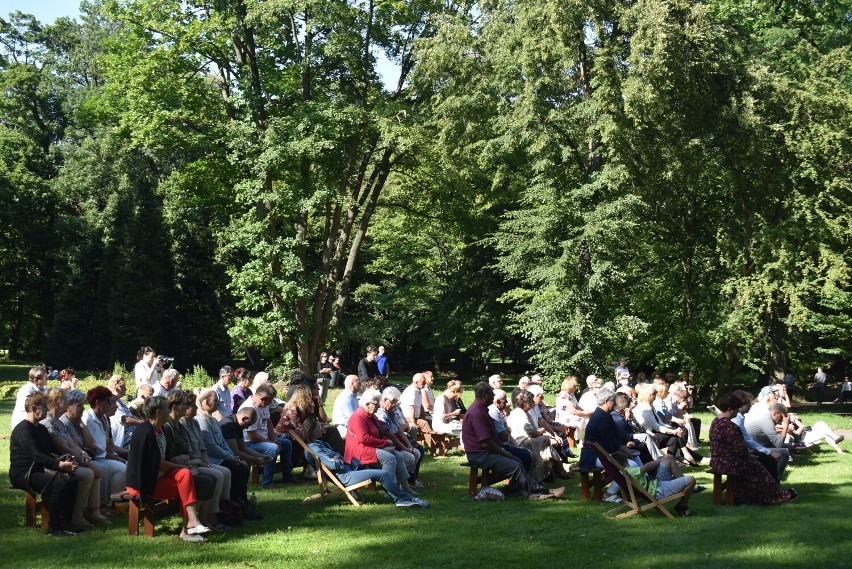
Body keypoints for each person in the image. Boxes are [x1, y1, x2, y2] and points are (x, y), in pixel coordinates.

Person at [126, 396, 212, 542]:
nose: (169, 410)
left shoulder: (158, 430)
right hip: (144, 483)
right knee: (187, 482)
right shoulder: (146, 432)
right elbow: (158, 463)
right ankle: (188, 528)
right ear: (159, 412)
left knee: (186, 475)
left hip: (158, 476)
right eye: (167, 408)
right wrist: (180, 466)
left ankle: (191, 523)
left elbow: (163, 461)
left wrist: (181, 466)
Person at [462, 382, 564, 500]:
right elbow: (485, 442)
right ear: (484, 395)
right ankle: (537, 492)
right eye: (491, 394)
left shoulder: (482, 410)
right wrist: (503, 452)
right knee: (515, 465)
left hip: (487, 451)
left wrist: (505, 449)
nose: (493, 397)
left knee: (517, 459)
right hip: (480, 454)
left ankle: (527, 489)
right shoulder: (477, 413)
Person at [10, 391, 80, 537]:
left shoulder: (41, 428)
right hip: (23, 474)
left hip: (37, 470)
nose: (48, 410)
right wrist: (59, 465)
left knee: (73, 480)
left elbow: (51, 450)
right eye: (44, 407)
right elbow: (37, 455)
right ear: (34, 408)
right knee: (58, 484)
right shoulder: (23, 429)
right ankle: (53, 528)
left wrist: (67, 459)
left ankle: (66, 523)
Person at [709, 393, 797, 505]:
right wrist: (750, 455)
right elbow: (739, 449)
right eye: (736, 409)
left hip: (717, 461)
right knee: (759, 468)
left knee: (754, 464)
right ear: (730, 409)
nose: (737, 412)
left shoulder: (715, 422)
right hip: (728, 462)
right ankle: (776, 496)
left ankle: (744, 497)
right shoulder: (730, 426)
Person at [41, 387, 108, 528]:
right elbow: (63, 448)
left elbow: (73, 445)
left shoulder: (59, 422)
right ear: (55, 401)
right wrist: (88, 464)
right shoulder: (48, 422)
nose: (66, 403)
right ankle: (76, 516)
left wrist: (84, 456)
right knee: (88, 474)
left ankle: (93, 512)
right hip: (55, 465)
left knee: (92, 472)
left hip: (68, 460)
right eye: (64, 400)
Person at [344, 388, 417, 495]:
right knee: (390, 458)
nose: (378, 407)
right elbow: (364, 439)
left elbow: (380, 432)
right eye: (376, 404)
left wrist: (386, 441)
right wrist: (385, 443)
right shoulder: (358, 417)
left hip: (371, 447)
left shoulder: (372, 416)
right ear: (367, 403)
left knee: (399, 455)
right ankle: (391, 491)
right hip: (360, 451)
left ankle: (405, 487)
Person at [194, 388, 253, 513]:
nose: (217, 403)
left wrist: (232, 456)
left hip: (222, 457)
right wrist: (230, 458)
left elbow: (222, 442)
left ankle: (239, 503)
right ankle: (230, 506)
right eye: (215, 401)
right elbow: (210, 446)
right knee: (237, 470)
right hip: (212, 459)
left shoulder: (214, 420)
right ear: (205, 402)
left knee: (242, 466)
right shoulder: (201, 420)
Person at [579, 387, 641, 502]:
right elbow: (610, 445)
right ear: (607, 401)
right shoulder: (602, 418)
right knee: (632, 465)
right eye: (613, 401)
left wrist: (625, 450)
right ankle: (609, 493)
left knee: (635, 456)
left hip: (599, 453)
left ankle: (641, 487)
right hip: (592, 456)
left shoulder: (602, 415)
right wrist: (624, 452)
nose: (615, 404)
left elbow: (613, 441)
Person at [239, 382, 294, 488]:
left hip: (263, 439)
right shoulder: (249, 408)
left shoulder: (263, 404)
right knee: (272, 448)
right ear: (262, 398)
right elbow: (252, 436)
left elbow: (268, 422)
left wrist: (273, 439)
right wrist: (271, 442)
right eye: (270, 401)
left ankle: (288, 477)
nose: (271, 404)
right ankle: (267, 482)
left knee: (286, 443)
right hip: (249, 443)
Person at [83, 386, 128, 512]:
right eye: (108, 401)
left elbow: (109, 445)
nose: (111, 404)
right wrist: (117, 458)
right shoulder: (88, 419)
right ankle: (104, 503)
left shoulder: (104, 418)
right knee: (123, 469)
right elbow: (93, 448)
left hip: (103, 456)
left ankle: (107, 501)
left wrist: (122, 454)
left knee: (126, 467)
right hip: (93, 457)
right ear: (98, 402)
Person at [731, 390, 788, 482]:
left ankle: (770, 486)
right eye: (749, 403)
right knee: (782, 453)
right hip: (742, 453)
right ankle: (774, 486)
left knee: (772, 455)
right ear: (742, 405)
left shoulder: (739, 418)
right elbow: (748, 441)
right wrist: (785, 425)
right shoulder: (736, 420)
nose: (751, 405)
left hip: (742, 451)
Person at [625, 454, 698, 517]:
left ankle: (684, 485)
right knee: (691, 480)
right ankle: (682, 505)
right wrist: (661, 459)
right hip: (657, 491)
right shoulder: (629, 472)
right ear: (625, 462)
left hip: (656, 483)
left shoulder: (623, 472)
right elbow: (648, 466)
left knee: (668, 457)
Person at [487, 389, 533, 472]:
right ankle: (521, 483)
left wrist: (516, 446)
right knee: (525, 456)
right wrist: (508, 430)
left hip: (503, 444)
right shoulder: (494, 412)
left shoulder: (498, 412)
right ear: (498, 401)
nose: (507, 401)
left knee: (525, 452)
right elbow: (504, 436)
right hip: (498, 447)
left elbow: (508, 434)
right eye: (505, 399)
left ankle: (526, 481)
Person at [108, 374, 145, 449]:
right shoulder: (113, 402)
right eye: (124, 387)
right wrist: (142, 423)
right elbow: (125, 419)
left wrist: (143, 422)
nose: (126, 389)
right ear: (117, 388)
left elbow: (130, 415)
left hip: (130, 436)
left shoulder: (121, 401)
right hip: (122, 440)